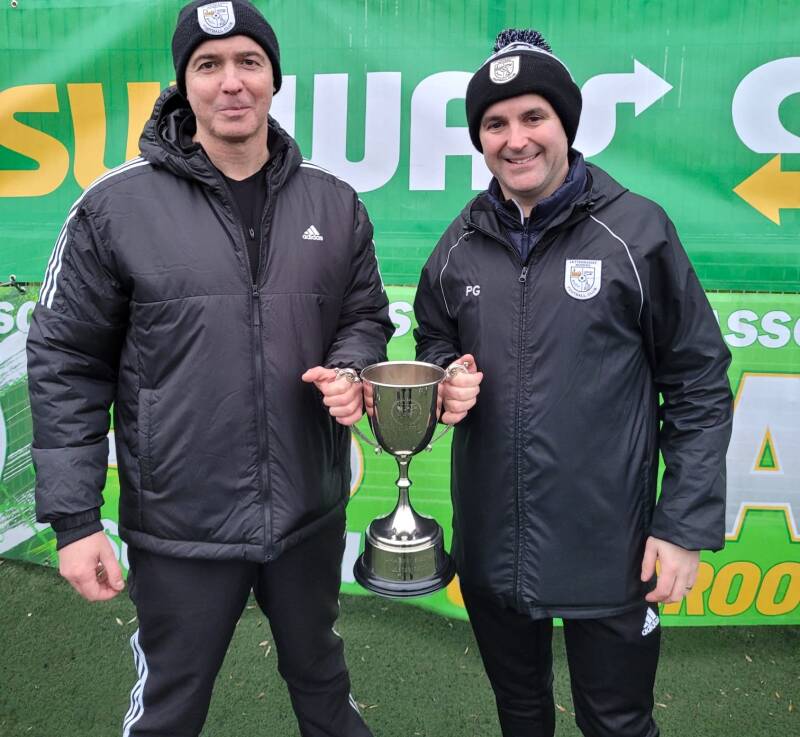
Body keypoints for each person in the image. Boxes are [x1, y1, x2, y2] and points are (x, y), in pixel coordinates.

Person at [26, 2, 393, 735]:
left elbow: (365, 315)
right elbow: (65, 361)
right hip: (180, 522)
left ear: (273, 78)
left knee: (323, 684)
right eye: (209, 64)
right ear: (184, 84)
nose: (231, 82)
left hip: (306, 514)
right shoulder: (112, 208)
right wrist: (73, 522)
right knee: (168, 707)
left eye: (248, 63)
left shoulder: (334, 201)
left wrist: (352, 366)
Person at [414, 28, 733, 737]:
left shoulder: (637, 233)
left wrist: (681, 526)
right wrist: (444, 375)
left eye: (534, 117)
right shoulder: (458, 245)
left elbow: (699, 381)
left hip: (611, 550)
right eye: (495, 123)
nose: (515, 138)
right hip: (493, 547)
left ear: (566, 124)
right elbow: (433, 337)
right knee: (521, 715)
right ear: (479, 138)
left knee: (617, 721)